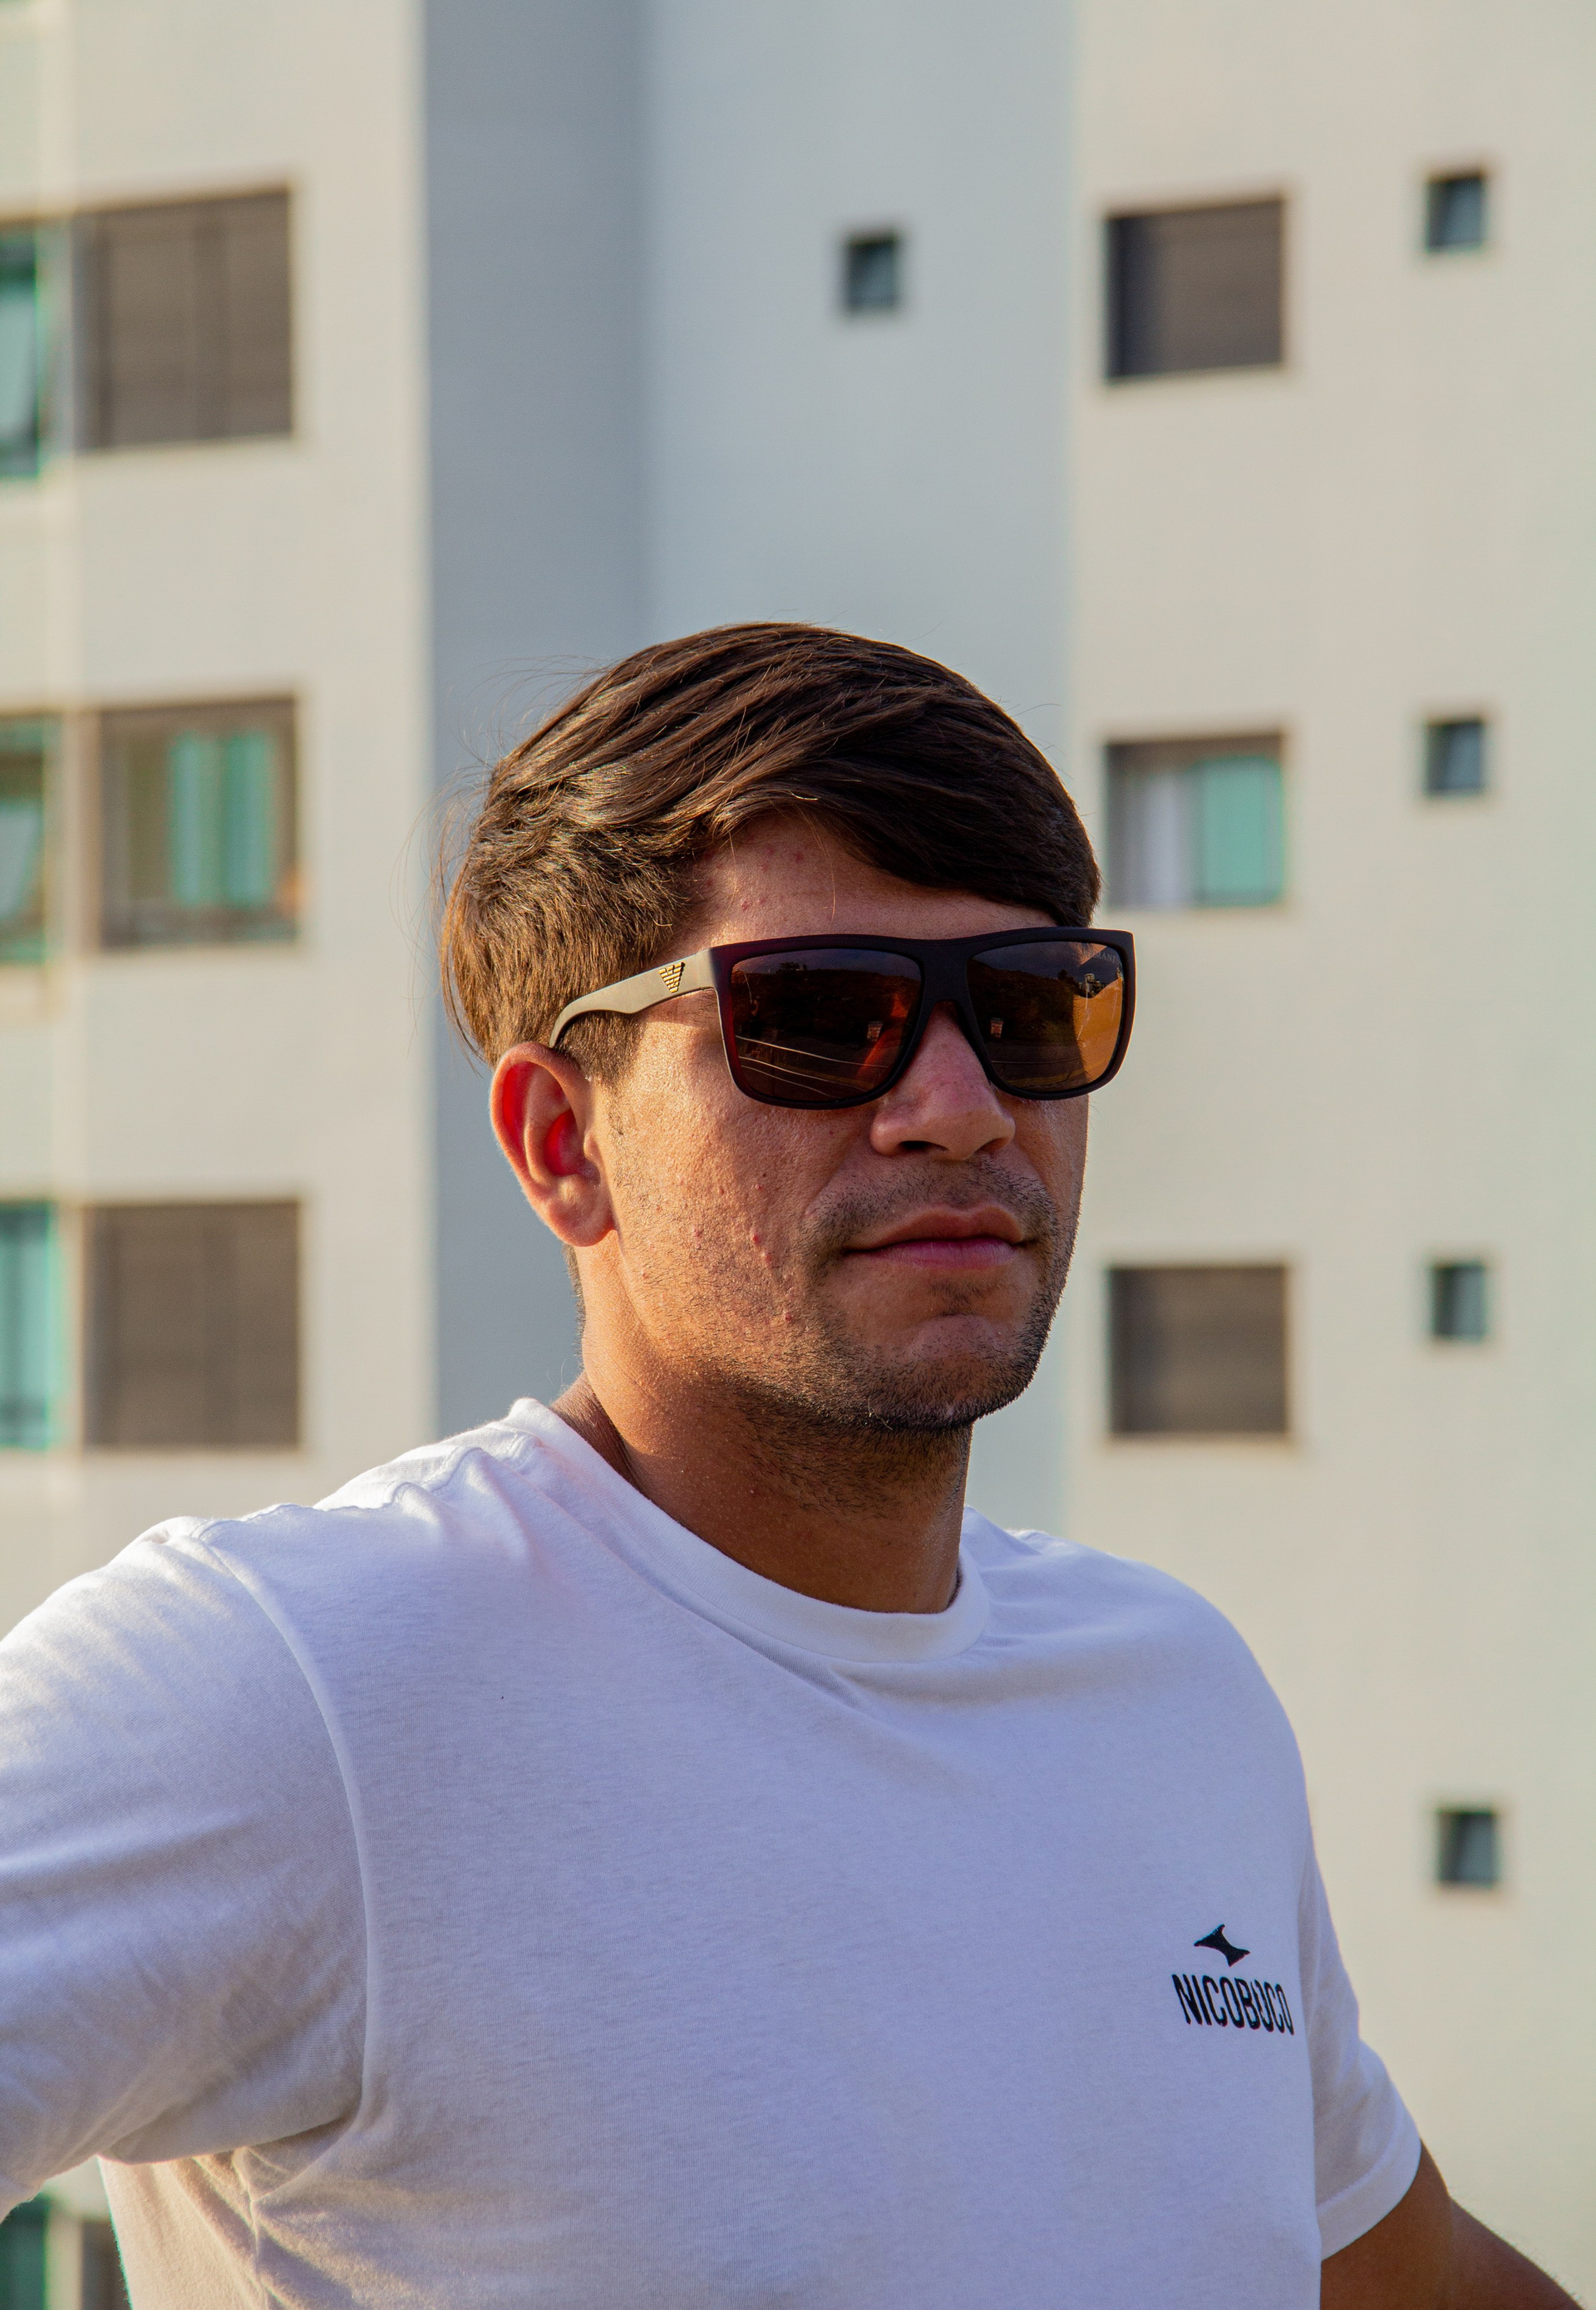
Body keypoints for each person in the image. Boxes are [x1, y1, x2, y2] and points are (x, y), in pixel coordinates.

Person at [0, 625, 1576, 2309]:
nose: (962, 1106)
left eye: (1030, 1008)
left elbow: (1399, 2273)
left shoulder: (1174, 1698)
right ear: (562, 1143)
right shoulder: (297, 1686)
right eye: (821, 1018)